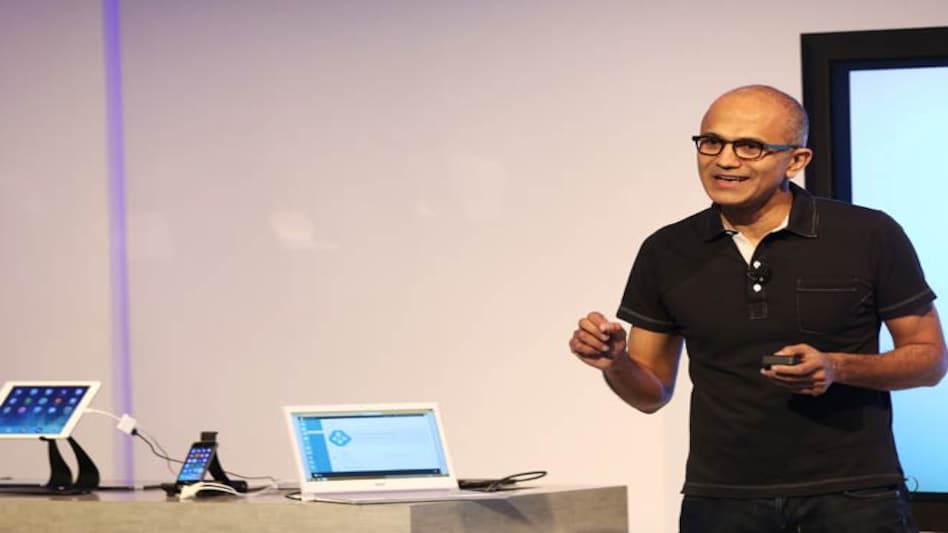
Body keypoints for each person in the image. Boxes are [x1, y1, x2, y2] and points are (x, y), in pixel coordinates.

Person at [569, 84, 947, 533]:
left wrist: (836, 367)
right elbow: (650, 393)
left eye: (749, 147)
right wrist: (614, 363)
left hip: (854, 496)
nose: (725, 160)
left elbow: (929, 360)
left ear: (796, 160)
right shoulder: (667, 250)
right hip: (722, 501)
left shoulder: (867, 234)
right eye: (711, 142)